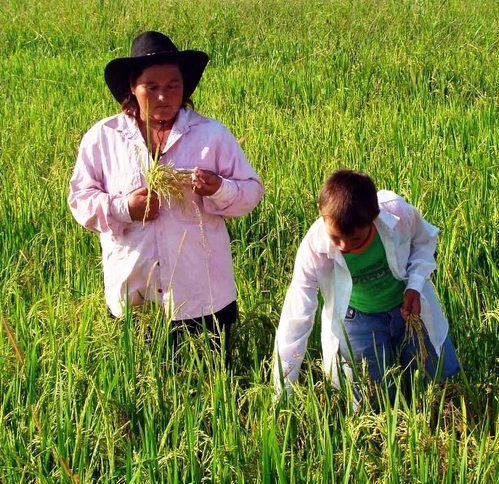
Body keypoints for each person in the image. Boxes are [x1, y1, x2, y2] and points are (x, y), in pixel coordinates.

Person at [68, 31, 264, 356]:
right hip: (136, 297)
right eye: (152, 87)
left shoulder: (210, 135)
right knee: (148, 390)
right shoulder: (103, 139)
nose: (163, 96)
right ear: (133, 88)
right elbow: (80, 200)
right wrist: (124, 208)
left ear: (184, 86)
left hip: (204, 297)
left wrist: (220, 188)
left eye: (173, 85)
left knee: (213, 392)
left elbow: (251, 192)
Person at [273, 169, 459, 406]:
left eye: (356, 240)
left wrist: (414, 285)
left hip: (407, 308)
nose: (344, 246)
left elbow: (423, 243)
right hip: (357, 320)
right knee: (373, 398)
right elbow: (296, 316)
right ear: (321, 213)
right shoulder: (314, 248)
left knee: (440, 377)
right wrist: (283, 390)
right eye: (336, 238)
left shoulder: (398, 215)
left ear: (374, 218)